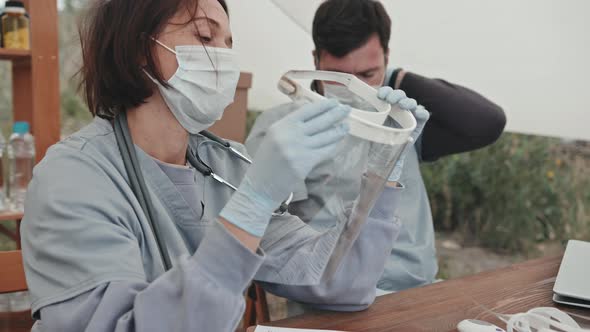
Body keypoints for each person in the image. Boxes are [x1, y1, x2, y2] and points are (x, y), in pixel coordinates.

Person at [20, 0, 427, 331]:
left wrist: (383, 164)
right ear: (138, 47)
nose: (222, 58)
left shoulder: (225, 164)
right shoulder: (72, 178)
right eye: (203, 36)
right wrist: (251, 206)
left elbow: (337, 283)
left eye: (228, 43)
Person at [246, 0, 506, 293]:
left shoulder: (400, 119)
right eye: (338, 77)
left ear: (387, 58)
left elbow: (487, 123)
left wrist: (397, 79)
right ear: (315, 60)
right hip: (335, 299)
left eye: (368, 74)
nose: (355, 90)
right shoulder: (283, 129)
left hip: (420, 292)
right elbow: (260, 236)